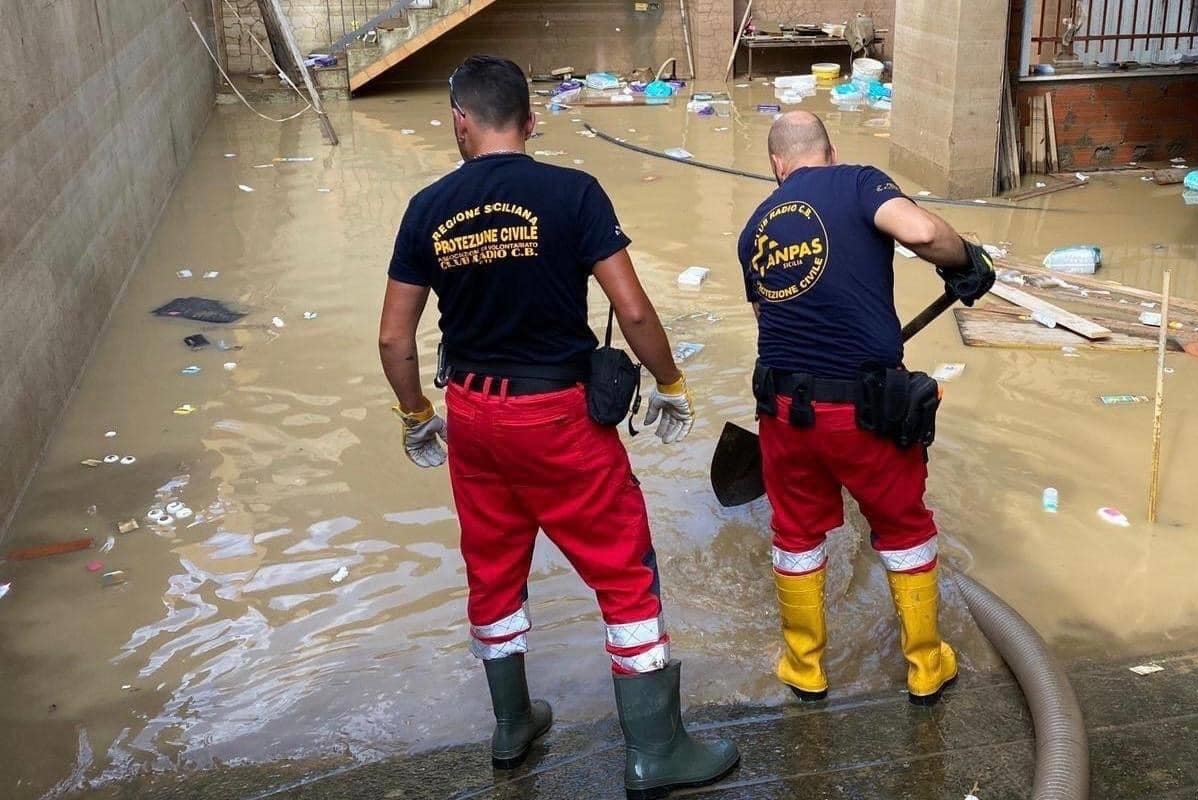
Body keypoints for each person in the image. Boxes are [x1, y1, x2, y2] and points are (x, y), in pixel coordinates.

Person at [378, 54, 737, 798]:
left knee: (493, 565)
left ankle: (512, 726)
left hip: (474, 414)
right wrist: (668, 382)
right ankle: (655, 752)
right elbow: (632, 309)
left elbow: (392, 338)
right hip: (559, 418)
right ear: (531, 120)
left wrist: (417, 416)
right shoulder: (572, 193)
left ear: (460, 121)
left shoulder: (426, 207)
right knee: (624, 572)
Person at [735, 111, 994, 706]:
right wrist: (965, 261)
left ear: (777, 166)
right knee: (903, 528)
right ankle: (926, 667)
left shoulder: (754, 228)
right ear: (830, 151)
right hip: (863, 411)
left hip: (781, 410)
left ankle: (804, 668)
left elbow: (768, 323)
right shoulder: (857, 181)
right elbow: (923, 234)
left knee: (796, 535)